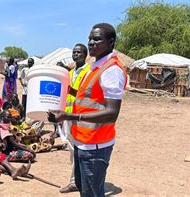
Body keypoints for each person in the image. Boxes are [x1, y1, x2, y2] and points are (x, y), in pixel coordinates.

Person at [48, 23, 127, 196]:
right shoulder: (94, 67)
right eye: (90, 39)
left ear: (111, 42)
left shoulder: (111, 70)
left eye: (97, 39)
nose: (91, 43)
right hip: (82, 140)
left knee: (91, 193)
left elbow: (111, 114)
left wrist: (69, 115)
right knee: (84, 189)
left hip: (96, 144)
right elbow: (84, 96)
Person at [59, 43, 91, 193]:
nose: (75, 54)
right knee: (72, 149)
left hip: (81, 116)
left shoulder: (89, 72)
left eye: (79, 52)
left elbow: (87, 92)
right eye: (74, 52)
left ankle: (78, 181)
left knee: (82, 150)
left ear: (85, 55)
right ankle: (75, 181)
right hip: (68, 115)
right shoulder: (70, 73)